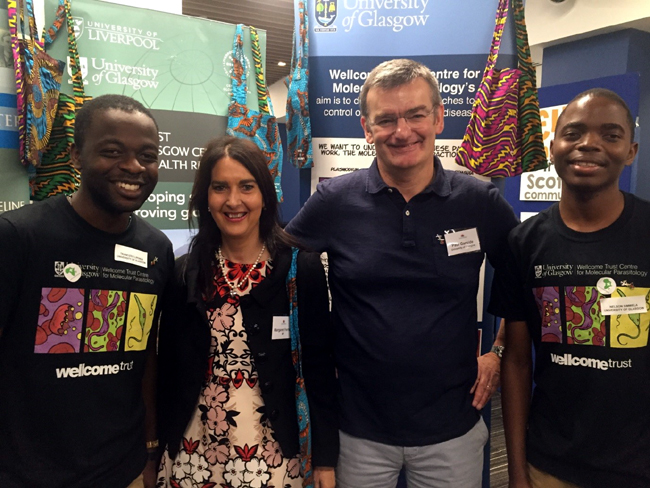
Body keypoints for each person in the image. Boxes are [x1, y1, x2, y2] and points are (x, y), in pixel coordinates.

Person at [286, 58, 518, 487]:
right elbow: (276, 264)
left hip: (453, 427)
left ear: (439, 117)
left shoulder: (478, 201)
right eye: (386, 119)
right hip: (357, 430)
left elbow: (524, 282)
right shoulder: (335, 199)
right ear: (366, 128)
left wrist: (498, 351)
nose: (402, 131)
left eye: (415, 114)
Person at [0, 94, 174, 487]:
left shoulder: (156, 250)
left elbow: (144, 356)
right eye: (112, 151)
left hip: (121, 471)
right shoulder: (19, 237)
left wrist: (148, 449)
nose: (133, 166)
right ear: (76, 156)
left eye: (147, 155)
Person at [156, 136, 338, 488]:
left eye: (247, 187)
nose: (233, 201)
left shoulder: (302, 270)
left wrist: (326, 462)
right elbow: (168, 374)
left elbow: (320, 372)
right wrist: (155, 450)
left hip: (273, 456)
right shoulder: (183, 273)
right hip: (194, 455)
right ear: (205, 198)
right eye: (220, 187)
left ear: (265, 196)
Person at [491, 88, 650, 488]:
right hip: (549, 466)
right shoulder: (523, 242)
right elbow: (515, 361)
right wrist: (516, 471)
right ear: (552, 146)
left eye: (610, 135)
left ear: (630, 151)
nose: (589, 144)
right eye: (574, 132)